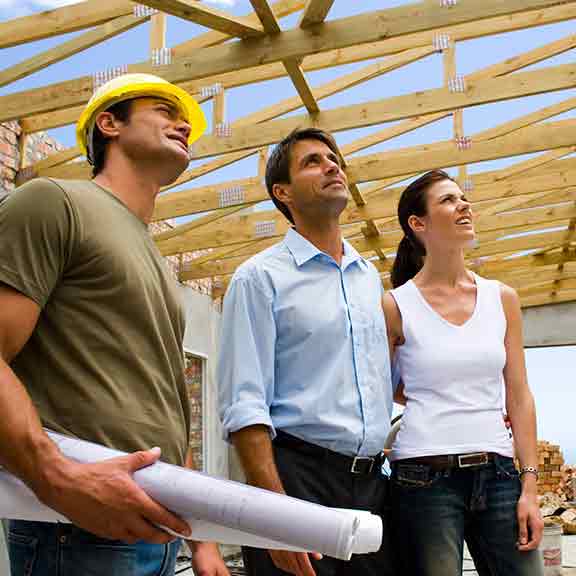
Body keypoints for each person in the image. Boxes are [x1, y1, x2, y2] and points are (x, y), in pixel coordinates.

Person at [0, 73, 229, 576]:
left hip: (157, 525)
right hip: (77, 524)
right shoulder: (53, 202)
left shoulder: (151, 252)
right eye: (164, 110)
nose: (183, 123)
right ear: (109, 123)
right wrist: (56, 478)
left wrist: (202, 541)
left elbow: (163, 402)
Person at [217, 128, 395, 576]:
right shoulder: (258, 278)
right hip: (298, 479)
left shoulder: (367, 276)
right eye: (312, 161)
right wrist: (277, 516)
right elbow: (244, 405)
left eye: (333, 158)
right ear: (283, 192)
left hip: (373, 485)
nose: (332, 165)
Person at [382, 169, 544, 575]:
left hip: (501, 473)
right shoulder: (394, 305)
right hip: (423, 477)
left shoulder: (501, 298)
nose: (464, 205)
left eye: (463, 198)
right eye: (448, 200)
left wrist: (530, 485)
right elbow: (383, 388)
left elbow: (519, 395)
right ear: (418, 224)